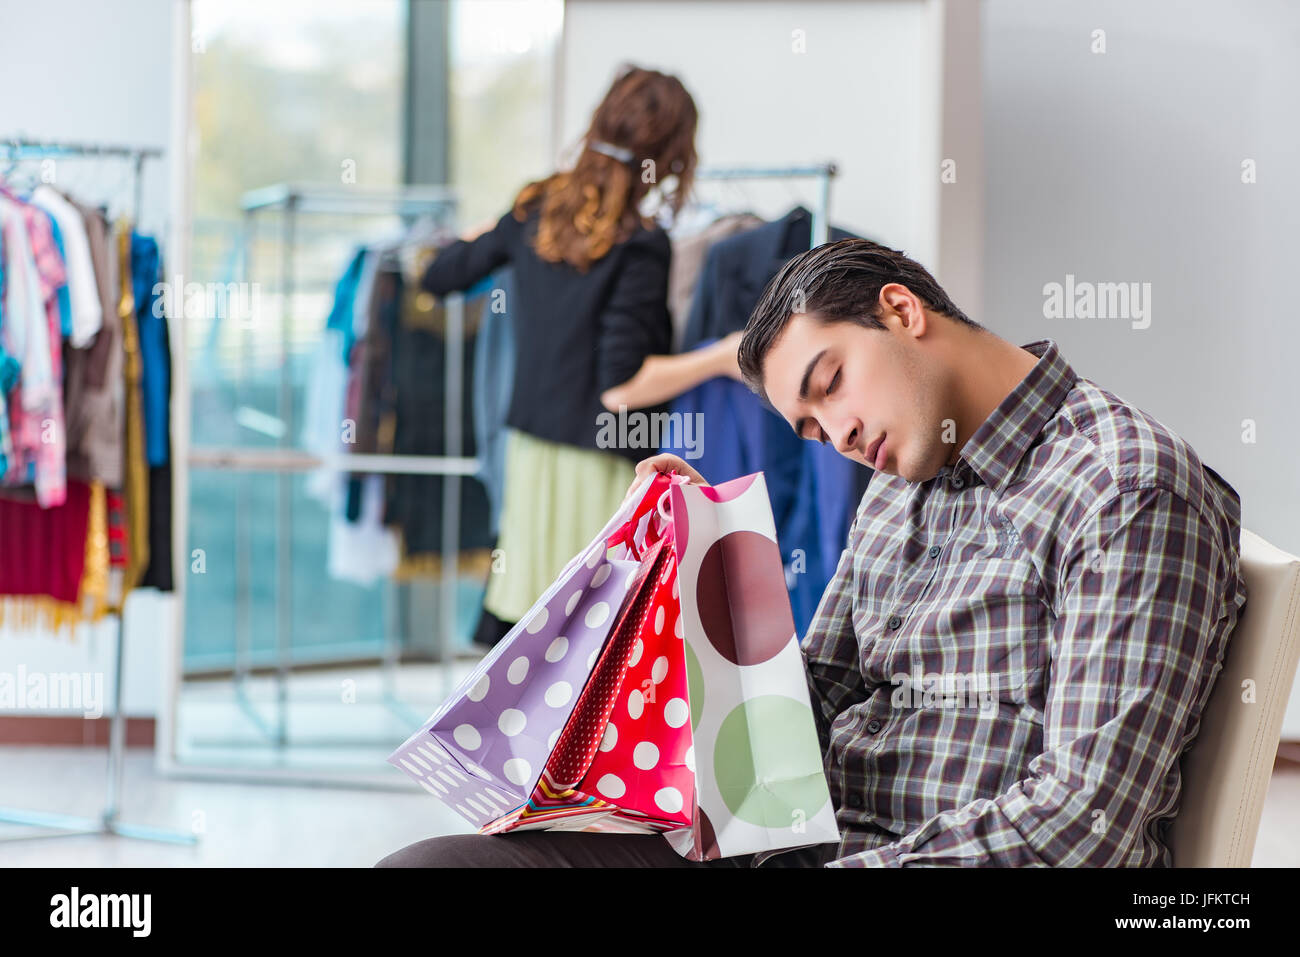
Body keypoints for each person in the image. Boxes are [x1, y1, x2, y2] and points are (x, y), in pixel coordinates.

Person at [416, 64, 744, 647]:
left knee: (532, 642)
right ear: (669, 157)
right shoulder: (639, 243)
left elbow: (440, 276)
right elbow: (621, 388)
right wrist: (723, 357)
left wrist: (500, 226)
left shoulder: (535, 210)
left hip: (531, 456)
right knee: (596, 645)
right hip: (598, 462)